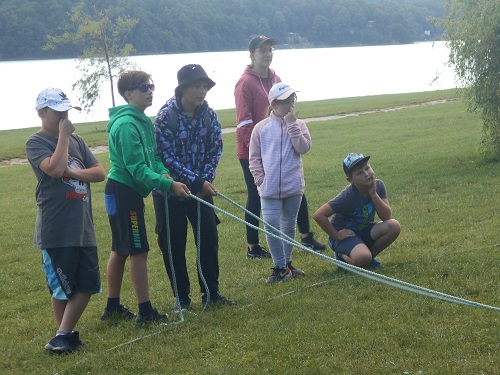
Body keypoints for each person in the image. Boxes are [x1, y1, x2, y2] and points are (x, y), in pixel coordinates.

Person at [102, 70, 190, 324]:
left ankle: (112, 307)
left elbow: (154, 159)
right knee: (137, 250)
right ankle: (145, 311)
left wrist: (164, 173)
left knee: (120, 248)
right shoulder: (127, 125)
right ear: (128, 94)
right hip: (123, 192)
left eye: (151, 86)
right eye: (143, 87)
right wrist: (167, 185)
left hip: (126, 192)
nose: (150, 90)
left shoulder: (142, 120)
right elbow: (137, 169)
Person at [26, 88, 106, 353]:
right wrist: (62, 135)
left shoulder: (78, 141)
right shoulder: (35, 142)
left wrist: (74, 170)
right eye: (58, 112)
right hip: (56, 229)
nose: (64, 116)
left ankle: (63, 334)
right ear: (42, 113)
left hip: (82, 226)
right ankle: (64, 336)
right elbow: (54, 169)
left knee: (89, 282)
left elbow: (98, 173)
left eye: (66, 111)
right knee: (62, 288)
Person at [235, 34, 325, 259]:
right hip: (254, 149)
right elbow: (244, 121)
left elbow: (286, 108)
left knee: (295, 189)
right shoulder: (245, 82)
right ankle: (253, 246)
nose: (267, 54)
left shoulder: (276, 79)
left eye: (269, 50)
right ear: (252, 55)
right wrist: (261, 151)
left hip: (280, 147)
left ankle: (305, 236)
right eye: (262, 50)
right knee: (257, 195)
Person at [153, 64, 235, 312]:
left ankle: (212, 293)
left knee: (208, 239)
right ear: (183, 89)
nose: (202, 91)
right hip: (170, 192)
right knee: (173, 244)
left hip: (202, 191)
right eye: (197, 86)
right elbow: (167, 158)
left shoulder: (209, 114)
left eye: (205, 87)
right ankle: (182, 299)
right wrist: (196, 181)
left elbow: (215, 149)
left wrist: (205, 180)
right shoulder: (166, 116)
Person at [249, 83, 311, 283]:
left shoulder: (299, 125)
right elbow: (254, 159)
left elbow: (303, 148)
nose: (291, 106)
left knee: (288, 225)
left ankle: (286, 265)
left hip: (293, 187)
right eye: (286, 102)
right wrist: (261, 181)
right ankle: (280, 267)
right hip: (269, 189)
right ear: (274, 104)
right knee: (272, 226)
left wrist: (292, 124)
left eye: (292, 101)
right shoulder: (261, 128)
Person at [313, 153, 401, 268]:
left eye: (367, 168)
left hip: (363, 231)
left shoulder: (378, 186)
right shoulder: (347, 196)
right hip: (346, 236)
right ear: (350, 179)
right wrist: (337, 235)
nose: (366, 174)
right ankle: (342, 256)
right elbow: (318, 215)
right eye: (359, 173)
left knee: (394, 226)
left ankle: (368, 258)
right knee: (363, 258)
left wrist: (373, 194)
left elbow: (386, 217)